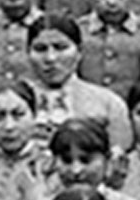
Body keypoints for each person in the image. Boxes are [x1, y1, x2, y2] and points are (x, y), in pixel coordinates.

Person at [25, 15, 132, 151]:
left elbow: (119, 153)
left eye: (60, 48)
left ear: (79, 51)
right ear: (28, 52)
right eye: (40, 49)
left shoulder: (108, 103)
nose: (50, 58)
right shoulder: (13, 101)